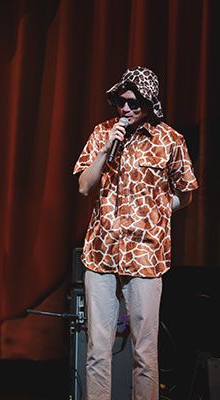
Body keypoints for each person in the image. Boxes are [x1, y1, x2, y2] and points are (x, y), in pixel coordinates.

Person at [74, 66, 198, 400]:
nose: (125, 109)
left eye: (133, 102)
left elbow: (186, 193)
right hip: (101, 252)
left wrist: (157, 213)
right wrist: (105, 149)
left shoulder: (169, 140)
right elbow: (84, 186)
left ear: (149, 102)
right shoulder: (102, 132)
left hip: (145, 255)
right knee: (97, 350)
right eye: (120, 101)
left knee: (144, 353)